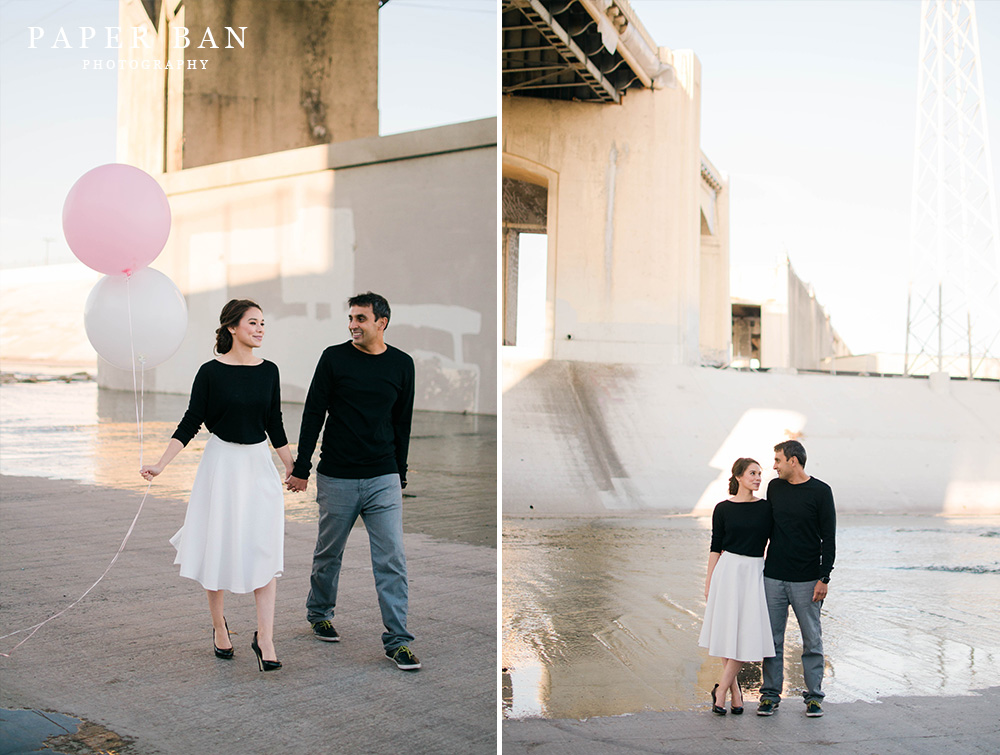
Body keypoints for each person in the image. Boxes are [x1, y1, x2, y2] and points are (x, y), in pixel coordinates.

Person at [140, 299, 293, 672]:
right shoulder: (210, 372)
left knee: (264, 546)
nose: (259, 329)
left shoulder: (269, 371)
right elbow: (191, 421)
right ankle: (218, 626)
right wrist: (161, 464)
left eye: (262, 323)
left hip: (258, 465)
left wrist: (295, 469)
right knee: (217, 545)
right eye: (252, 322)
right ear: (231, 328)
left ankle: (265, 637)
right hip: (221, 466)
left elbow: (275, 423)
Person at [285, 291, 420, 671]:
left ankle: (398, 641)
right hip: (338, 476)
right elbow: (314, 413)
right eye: (350, 319)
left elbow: (402, 423)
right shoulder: (334, 358)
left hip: (383, 476)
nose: (352, 325)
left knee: (391, 559)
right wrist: (302, 467)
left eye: (360, 319)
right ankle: (319, 612)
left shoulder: (402, 365)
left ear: (382, 322)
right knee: (329, 553)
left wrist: (400, 474)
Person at [757, 439, 836, 718]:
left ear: (793, 460)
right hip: (773, 577)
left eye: (777, 460)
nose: (773, 466)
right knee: (771, 639)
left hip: (807, 580)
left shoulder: (821, 491)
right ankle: (769, 695)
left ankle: (814, 697)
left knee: (812, 640)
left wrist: (824, 578)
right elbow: (766, 529)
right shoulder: (774, 488)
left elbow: (829, 538)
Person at [699, 457, 775, 715]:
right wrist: (709, 580)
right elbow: (715, 546)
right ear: (739, 477)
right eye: (752, 473)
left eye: (760, 474)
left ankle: (722, 688)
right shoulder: (722, 508)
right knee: (727, 629)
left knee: (746, 632)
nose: (757, 478)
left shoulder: (766, 508)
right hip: (727, 571)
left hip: (754, 571)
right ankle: (735, 691)